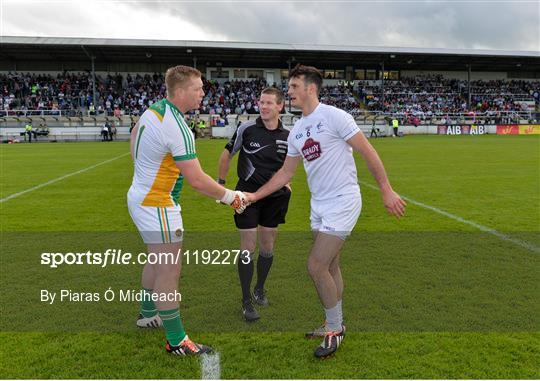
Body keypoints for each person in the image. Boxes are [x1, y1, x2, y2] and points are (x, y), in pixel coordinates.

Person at [244, 65, 406, 359]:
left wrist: (385, 188)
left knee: (315, 265)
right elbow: (285, 174)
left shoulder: (335, 116)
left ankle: (335, 330)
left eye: (293, 86)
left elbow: (368, 151)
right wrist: (254, 195)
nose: (289, 91)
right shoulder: (298, 131)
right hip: (319, 205)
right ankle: (334, 322)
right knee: (330, 266)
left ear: (310, 88)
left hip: (343, 200)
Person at [127, 65, 248, 357]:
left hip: (141, 198)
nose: (203, 93)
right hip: (157, 204)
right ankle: (176, 339)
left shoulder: (154, 110)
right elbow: (197, 180)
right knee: (170, 269)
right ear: (180, 91)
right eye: (198, 88)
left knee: (156, 261)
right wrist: (231, 197)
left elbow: (133, 134)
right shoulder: (177, 126)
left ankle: (147, 313)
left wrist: (142, 169)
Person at [217, 87, 291, 322]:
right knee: (248, 245)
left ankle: (260, 289)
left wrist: (288, 183)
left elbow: (289, 167)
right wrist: (221, 184)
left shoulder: (288, 136)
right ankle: (246, 300)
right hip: (246, 197)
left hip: (275, 197)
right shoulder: (246, 128)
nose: (264, 106)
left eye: (269, 103)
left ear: (280, 106)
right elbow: (227, 153)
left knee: (267, 246)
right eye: (261, 102)